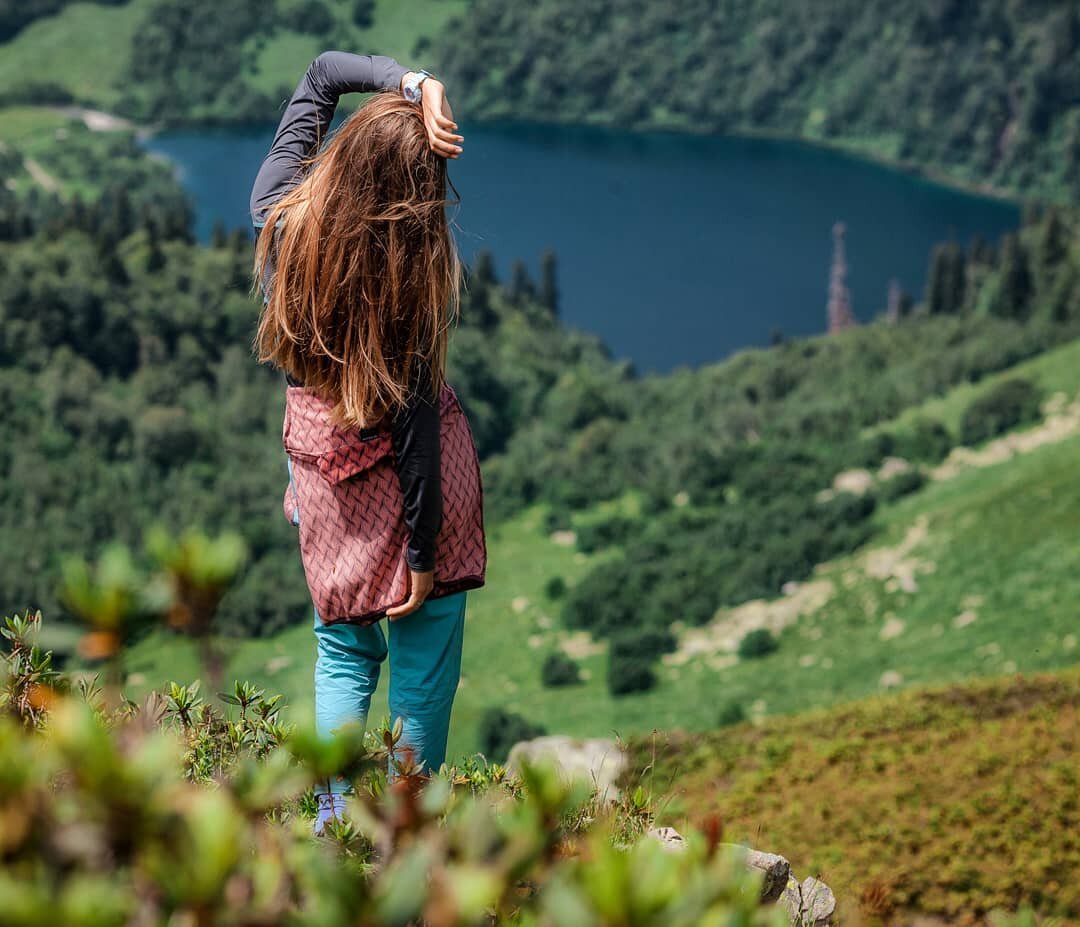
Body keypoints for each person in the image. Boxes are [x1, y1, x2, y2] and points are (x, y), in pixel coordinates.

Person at [249, 52, 481, 835]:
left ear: (344, 156)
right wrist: (422, 550)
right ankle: (405, 841)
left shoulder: (282, 216)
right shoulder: (409, 289)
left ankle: (334, 829)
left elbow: (318, 75)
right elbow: (416, 436)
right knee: (422, 661)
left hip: (323, 475)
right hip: (410, 501)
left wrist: (410, 84)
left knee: (343, 653)